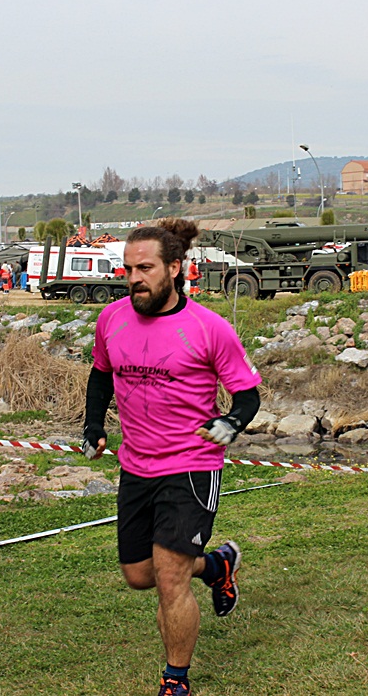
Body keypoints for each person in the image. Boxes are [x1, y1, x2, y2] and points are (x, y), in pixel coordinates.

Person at [83, 219, 262, 696]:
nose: (134, 278)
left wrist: (230, 423)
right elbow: (101, 374)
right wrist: (94, 426)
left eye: (145, 268)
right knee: (139, 576)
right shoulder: (112, 319)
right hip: (136, 466)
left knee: (168, 580)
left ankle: (175, 681)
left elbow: (247, 394)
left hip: (191, 467)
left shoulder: (209, 328)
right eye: (127, 269)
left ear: (175, 268)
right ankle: (217, 565)